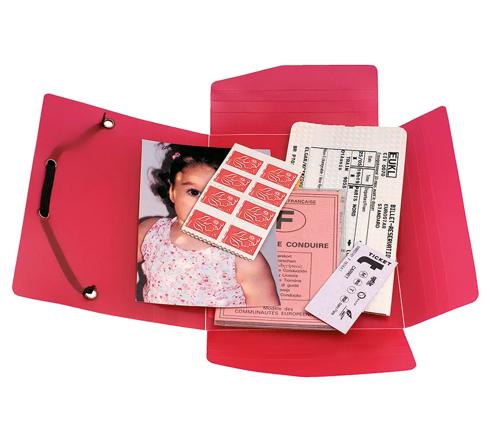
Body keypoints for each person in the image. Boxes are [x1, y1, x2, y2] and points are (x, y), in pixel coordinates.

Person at [137, 143, 279, 307]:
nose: (204, 203)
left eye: (218, 195)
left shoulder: (243, 258)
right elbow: (115, 266)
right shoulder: (150, 232)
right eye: (194, 192)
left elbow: (266, 314)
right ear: (172, 192)